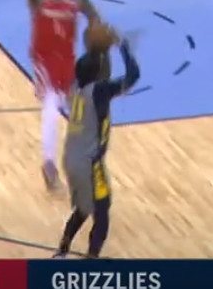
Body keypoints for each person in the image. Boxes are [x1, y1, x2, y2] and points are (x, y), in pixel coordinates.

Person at [0, 0, 103, 191]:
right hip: (43, 59)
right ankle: (49, 166)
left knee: (79, 110)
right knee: (51, 104)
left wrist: (96, 34)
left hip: (66, 59)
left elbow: (94, 17)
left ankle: (85, 163)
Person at [54, 25, 139, 258]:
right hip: (90, 162)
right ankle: (92, 259)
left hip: (71, 156)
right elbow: (133, 76)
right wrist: (124, 47)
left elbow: (86, 67)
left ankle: (62, 250)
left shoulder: (74, 87)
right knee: (102, 212)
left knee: (84, 206)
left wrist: (99, 49)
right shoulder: (99, 91)